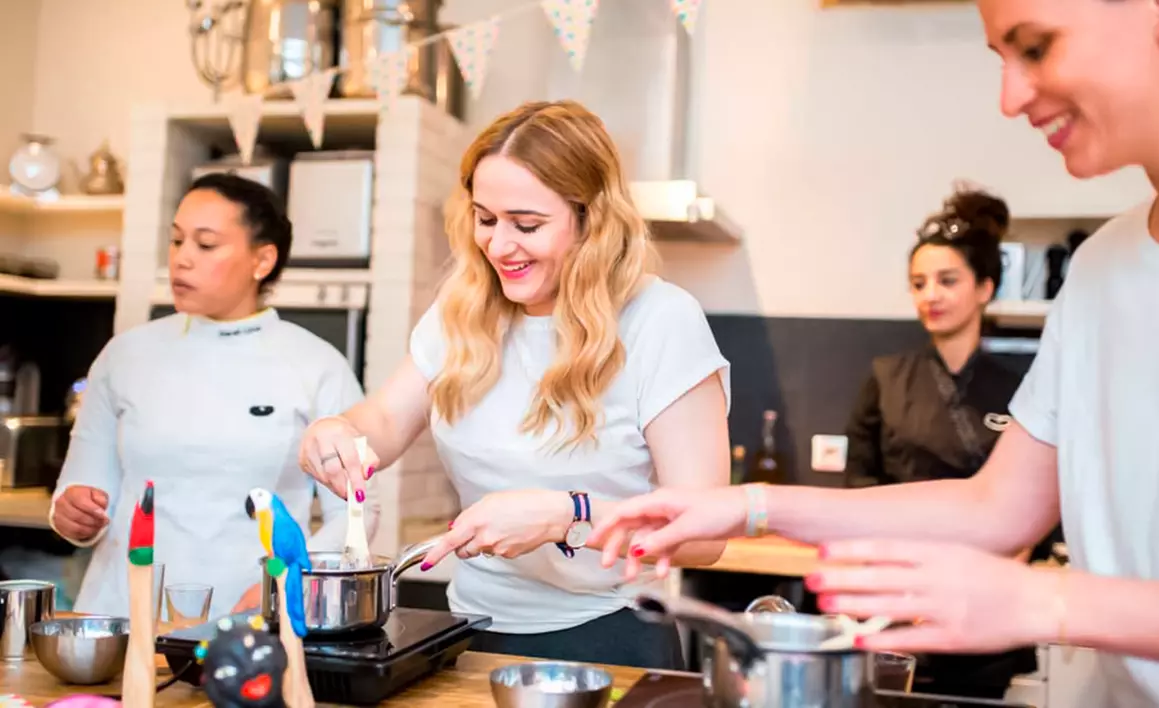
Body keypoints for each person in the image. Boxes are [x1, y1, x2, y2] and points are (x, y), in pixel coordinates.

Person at [590, 2, 1159, 704]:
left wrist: (1048, 601)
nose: (1010, 98)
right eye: (1000, 59)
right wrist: (747, 505)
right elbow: (994, 507)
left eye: (1035, 46)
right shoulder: (1099, 270)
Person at [298, 100, 730, 670]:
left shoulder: (660, 320)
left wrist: (565, 515)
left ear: (591, 221)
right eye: (485, 219)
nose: (499, 246)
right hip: (472, 634)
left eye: (526, 225)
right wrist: (339, 431)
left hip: (610, 635)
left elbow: (704, 533)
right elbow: (381, 424)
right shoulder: (465, 306)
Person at [49, 173, 379, 620]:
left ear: (262, 260)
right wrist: (71, 513)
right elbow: (82, 486)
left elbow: (358, 510)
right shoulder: (125, 354)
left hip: (249, 617)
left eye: (205, 245)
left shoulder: (316, 364)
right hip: (117, 616)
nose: (182, 259)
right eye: (177, 240)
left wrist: (286, 578)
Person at [843, 186, 1038, 699]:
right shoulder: (887, 378)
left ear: (985, 287)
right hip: (898, 596)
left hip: (986, 596)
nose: (931, 295)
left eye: (947, 280)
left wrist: (992, 578)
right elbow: (862, 487)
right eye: (918, 283)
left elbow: (1037, 497)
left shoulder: (1023, 387)